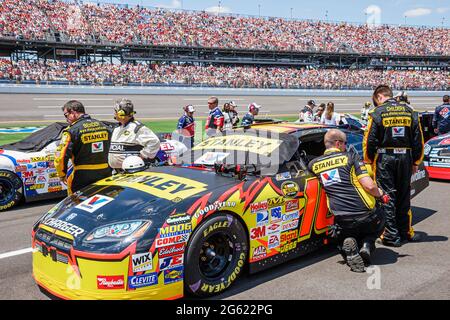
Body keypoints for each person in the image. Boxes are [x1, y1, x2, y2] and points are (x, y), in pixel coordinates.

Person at [309, 129, 388, 272]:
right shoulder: (352, 157)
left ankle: (348, 243)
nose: (346, 146)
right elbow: (369, 186)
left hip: (341, 218)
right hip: (366, 214)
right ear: (338, 143)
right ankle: (367, 245)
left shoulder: (313, 165)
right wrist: (381, 195)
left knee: (344, 233)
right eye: (345, 143)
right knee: (382, 216)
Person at [363, 85, 424, 247]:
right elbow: (418, 140)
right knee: (404, 195)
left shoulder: (377, 112)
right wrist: (416, 161)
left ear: (378, 97)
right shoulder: (410, 111)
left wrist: (368, 160)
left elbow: (370, 140)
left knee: (387, 195)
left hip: (385, 158)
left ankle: (390, 235)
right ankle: (405, 232)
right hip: (406, 157)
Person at [55, 100, 112, 195]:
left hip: (82, 176)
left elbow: (61, 156)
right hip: (105, 173)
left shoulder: (71, 131)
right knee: (103, 201)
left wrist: (61, 174)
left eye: (66, 115)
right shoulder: (104, 126)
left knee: (78, 203)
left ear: (73, 112)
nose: (66, 119)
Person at [108, 98, 160, 171]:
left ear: (121, 113)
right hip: (117, 172)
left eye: (115, 111)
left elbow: (154, 142)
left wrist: (142, 156)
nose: (114, 113)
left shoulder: (137, 128)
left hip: (132, 172)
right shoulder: (117, 128)